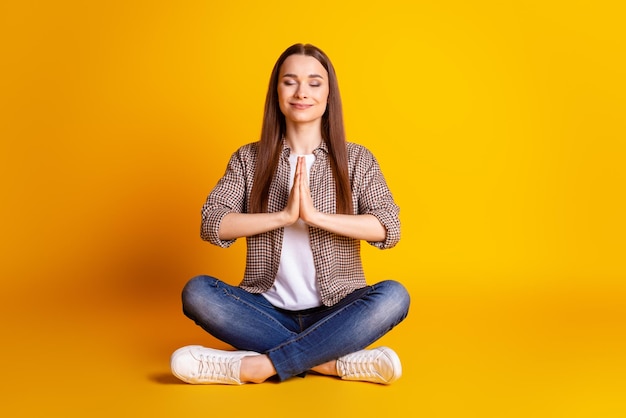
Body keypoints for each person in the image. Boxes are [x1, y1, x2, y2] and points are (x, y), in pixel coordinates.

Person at [171, 43, 410, 385]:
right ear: (277, 91)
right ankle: (331, 361)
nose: (302, 92)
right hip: (264, 312)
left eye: (314, 83)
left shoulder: (356, 159)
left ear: (329, 94)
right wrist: (283, 216)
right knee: (197, 292)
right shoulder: (248, 159)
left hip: (337, 311)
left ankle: (257, 366)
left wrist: (315, 217)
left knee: (394, 296)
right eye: (290, 81)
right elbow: (212, 223)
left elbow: (389, 226)